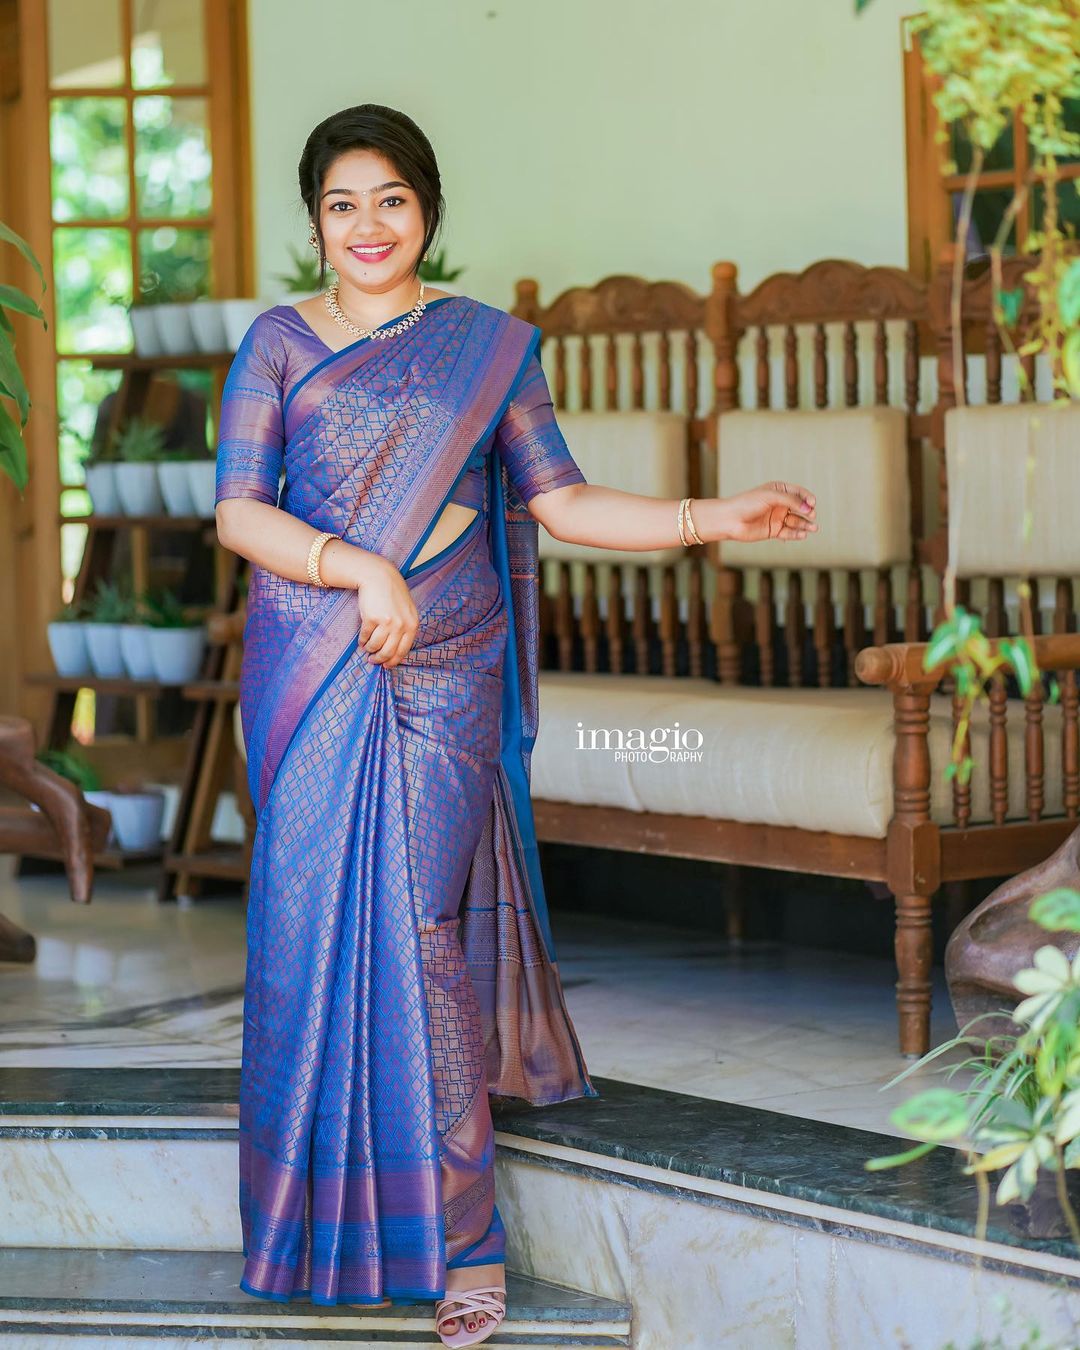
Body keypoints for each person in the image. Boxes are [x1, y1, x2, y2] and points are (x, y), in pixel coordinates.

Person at [214, 103, 817, 1348]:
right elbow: (238, 513)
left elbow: (568, 499)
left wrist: (717, 515)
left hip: (448, 669)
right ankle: (313, 1225)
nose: (368, 224)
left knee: (421, 931)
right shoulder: (276, 345)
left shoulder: (487, 349)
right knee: (308, 931)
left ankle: (463, 1239)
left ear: (428, 208)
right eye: (342, 203)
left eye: (391, 198)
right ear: (313, 222)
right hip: (319, 666)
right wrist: (357, 569)